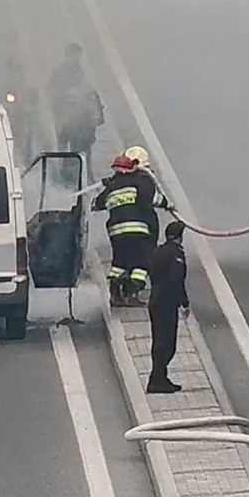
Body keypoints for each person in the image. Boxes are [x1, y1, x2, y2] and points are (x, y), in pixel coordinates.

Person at [93, 152, 172, 306]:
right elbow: (153, 198)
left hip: (116, 232)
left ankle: (115, 294)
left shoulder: (111, 187)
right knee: (143, 262)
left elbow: (96, 204)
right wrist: (167, 204)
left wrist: (108, 185)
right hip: (137, 229)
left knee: (119, 262)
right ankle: (132, 294)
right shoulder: (139, 182)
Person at [147, 220, 190, 393]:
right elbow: (176, 279)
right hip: (167, 302)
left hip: (155, 299)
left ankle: (159, 377)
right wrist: (184, 302)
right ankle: (157, 379)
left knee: (158, 339)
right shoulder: (176, 254)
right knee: (167, 343)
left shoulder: (158, 250)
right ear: (180, 237)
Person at [47, 42, 105, 161]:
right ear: (68, 55)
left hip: (80, 116)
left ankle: (86, 170)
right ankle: (66, 169)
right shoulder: (59, 72)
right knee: (67, 145)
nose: (78, 58)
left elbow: (86, 89)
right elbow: (54, 92)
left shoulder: (80, 70)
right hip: (66, 115)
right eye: (76, 55)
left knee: (84, 145)